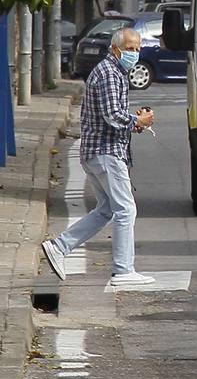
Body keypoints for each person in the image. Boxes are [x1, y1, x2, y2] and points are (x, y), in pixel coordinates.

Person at [42, 27, 156, 286]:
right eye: (129, 48)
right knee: (126, 210)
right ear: (115, 49)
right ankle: (123, 270)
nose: (134, 54)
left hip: (100, 152)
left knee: (106, 209)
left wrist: (136, 123)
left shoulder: (115, 72)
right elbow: (113, 116)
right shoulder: (108, 73)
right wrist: (136, 119)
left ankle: (59, 247)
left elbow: (113, 116)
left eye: (137, 49)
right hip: (106, 153)